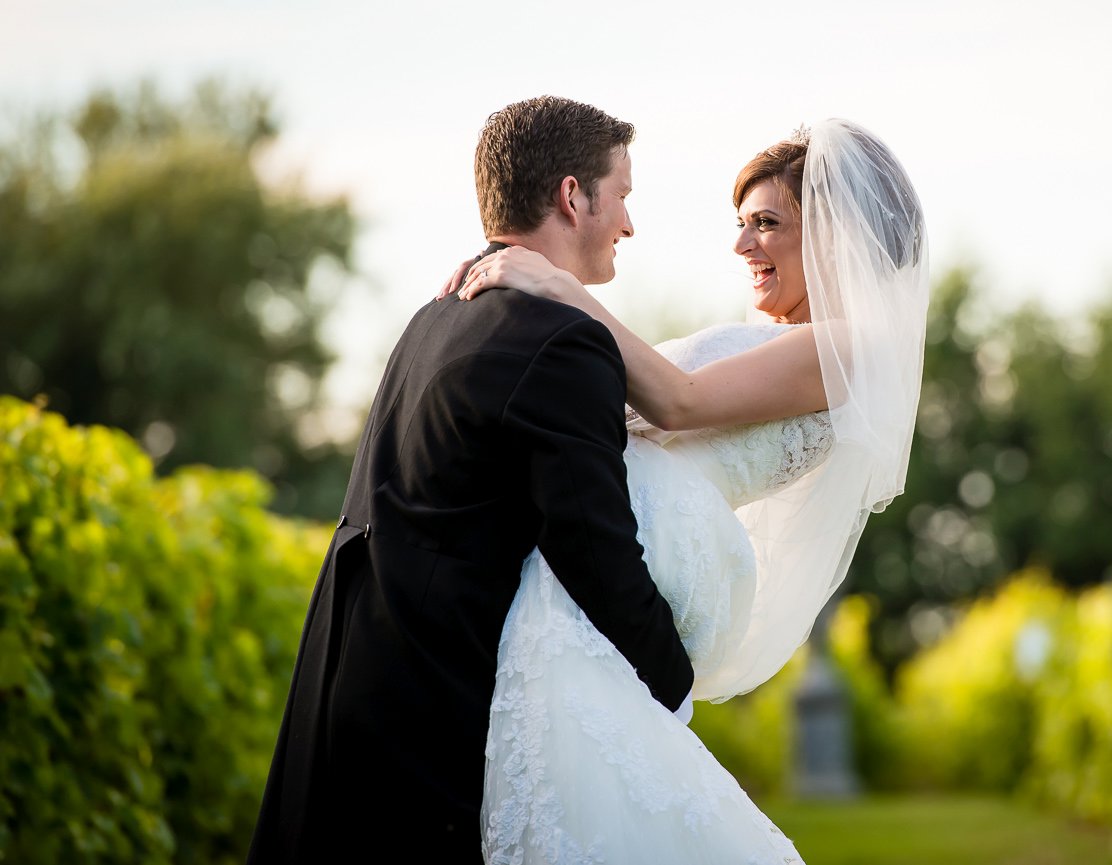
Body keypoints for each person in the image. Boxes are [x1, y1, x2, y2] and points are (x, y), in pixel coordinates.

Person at [445, 118, 929, 863]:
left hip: (606, 566)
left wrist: (557, 286)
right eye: (741, 225)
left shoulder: (851, 348)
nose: (743, 248)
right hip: (582, 560)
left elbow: (680, 402)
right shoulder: (789, 340)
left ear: (833, 235)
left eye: (767, 224)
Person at [247, 96, 695, 865]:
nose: (628, 222)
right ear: (571, 195)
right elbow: (596, 549)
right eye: (622, 194)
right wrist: (674, 684)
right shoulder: (563, 341)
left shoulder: (435, 314)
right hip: (425, 716)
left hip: (343, 677)